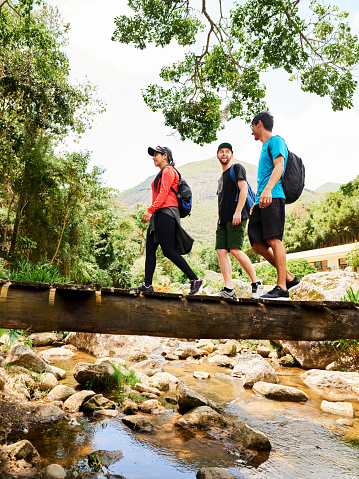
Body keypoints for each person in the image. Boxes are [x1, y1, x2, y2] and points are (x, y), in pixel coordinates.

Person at [130, 145, 205, 295]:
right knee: (150, 249)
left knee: (168, 251)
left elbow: (164, 193)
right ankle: (147, 284)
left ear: (165, 156)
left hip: (167, 212)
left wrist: (150, 210)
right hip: (159, 214)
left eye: (156, 154)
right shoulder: (162, 172)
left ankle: (195, 279)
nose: (153, 157)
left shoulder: (169, 170)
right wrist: (153, 211)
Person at [248, 111, 301, 300]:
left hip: (273, 196)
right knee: (256, 242)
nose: (252, 131)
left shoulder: (276, 141)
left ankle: (282, 288)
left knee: (273, 240)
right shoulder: (264, 147)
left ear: (259, 124)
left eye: (252, 127)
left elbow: (280, 166)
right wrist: (256, 201)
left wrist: (269, 189)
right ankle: (289, 278)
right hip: (261, 200)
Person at [215, 142, 264, 299]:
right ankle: (228, 289)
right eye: (221, 152)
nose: (224, 154)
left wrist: (237, 212)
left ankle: (256, 283)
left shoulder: (237, 168)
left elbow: (243, 190)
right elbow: (221, 201)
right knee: (221, 251)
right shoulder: (221, 178)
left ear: (231, 155)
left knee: (235, 250)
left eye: (227, 151)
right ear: (217, 155)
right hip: (223, 220)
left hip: (237, 216)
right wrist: (218, 219)